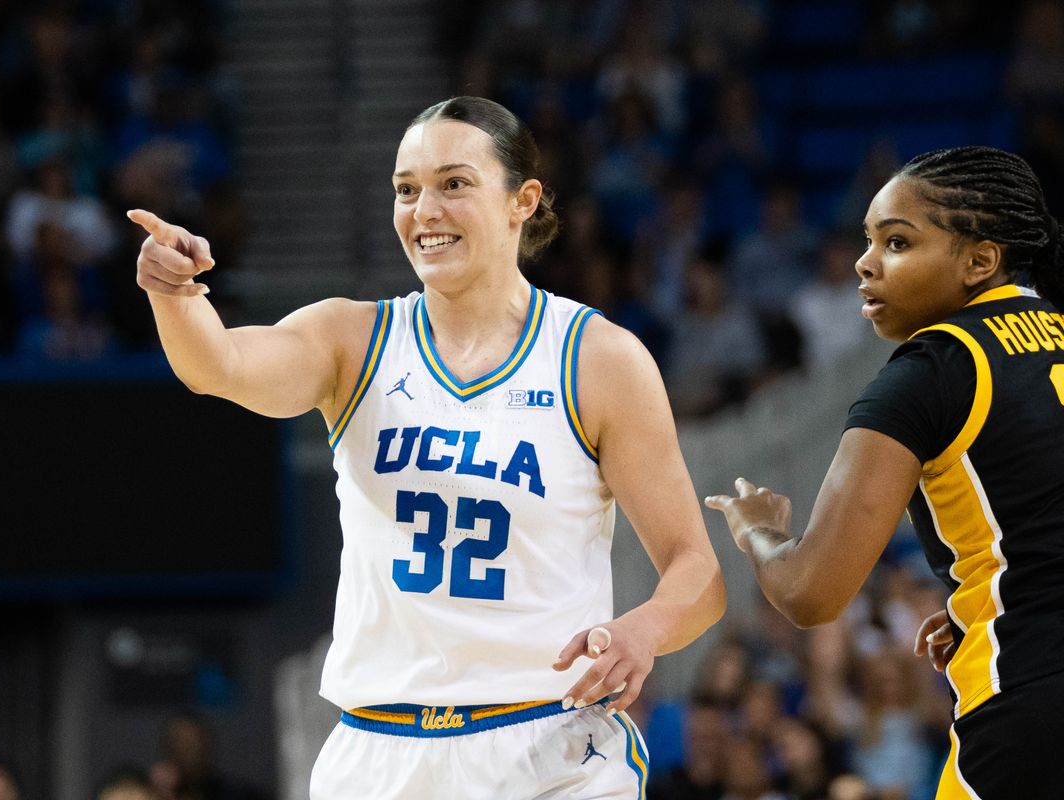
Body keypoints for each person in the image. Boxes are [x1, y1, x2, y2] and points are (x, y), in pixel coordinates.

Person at [130, 95, 726, 799]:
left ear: (522, 200)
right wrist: (176, 295)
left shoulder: (598, 359)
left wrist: (644, 629)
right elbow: (218, 366)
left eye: (454, 183)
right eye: (405, 190)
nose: (424, 209)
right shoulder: (351, 339)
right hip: (377, 751)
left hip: (546, 744)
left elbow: (699, 572)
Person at [705, 145, 1064, 799]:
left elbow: (813, 593)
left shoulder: (930, 370)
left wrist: (757, 531)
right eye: (867, 241)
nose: (865, 264)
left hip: (1028, 710)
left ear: (980, 260)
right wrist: (979, 607)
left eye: (897, 243)